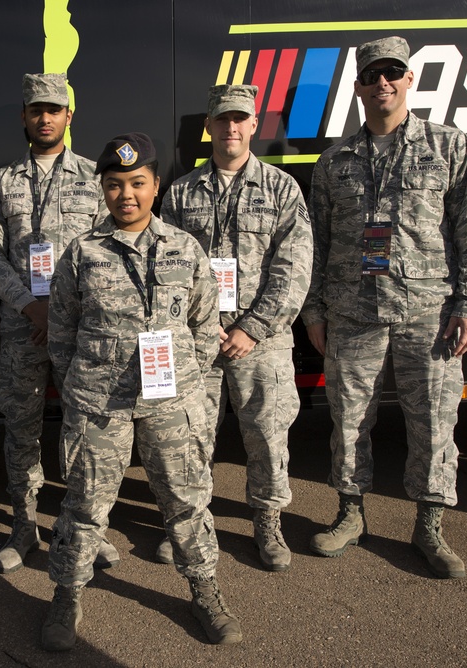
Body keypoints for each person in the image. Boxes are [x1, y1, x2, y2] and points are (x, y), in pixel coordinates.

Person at [301, 37, 467, 578]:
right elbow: (313, 246)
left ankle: (429, 525)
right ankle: (349, 514)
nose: (382, 82)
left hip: (428, 315)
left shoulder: (448, 147)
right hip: (352, 315)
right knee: (348, 423)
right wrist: (314, 311)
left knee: (435, 424)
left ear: (409, 78)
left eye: (392, 72)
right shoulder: (334, 163)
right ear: (359, 86)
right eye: (372, 75)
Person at [41, 133, 241, 651]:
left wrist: (184, 379)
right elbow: (61, 331)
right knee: (85, 504)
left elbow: (204, 322)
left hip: (171, 404)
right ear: (102, 190)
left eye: (136, 183)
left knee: (187, 501)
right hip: (99, 405)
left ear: (155, 186)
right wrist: (84, 383)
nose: (125, 194)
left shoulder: (184, 247)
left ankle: (204, 589)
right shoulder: (82, 253)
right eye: (114, 185)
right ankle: (67, 593)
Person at [161, 84, 313, 572]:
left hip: (261, 341)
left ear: (253, 126)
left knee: (267, 435)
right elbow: (166, 268)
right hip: (198, 342)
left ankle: (267, 523)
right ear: (209, 126)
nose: (230, 127)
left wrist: (253, 327)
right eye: (222, 119)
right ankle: (192, 523)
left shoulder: (281, 189)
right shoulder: (182, 192)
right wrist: (200, 329)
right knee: (191, 437)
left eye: (240, 119)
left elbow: (294, 268)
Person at [0, 72, 119, 574]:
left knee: (84, 429)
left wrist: (60, 311)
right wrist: (26, 305)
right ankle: (23, 526)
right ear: (24, 116)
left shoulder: (94, 178)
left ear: (68, 117)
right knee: (21, 430)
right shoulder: (1, 182)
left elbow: (109, 254)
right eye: (36, 109)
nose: (44, 118)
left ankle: (86, 527)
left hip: (80, 330)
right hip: (21, 329)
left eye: (54, 109)